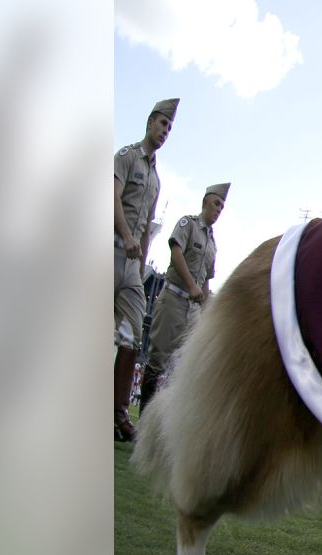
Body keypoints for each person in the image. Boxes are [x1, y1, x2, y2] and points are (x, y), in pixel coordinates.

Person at [114, 98, 178, 441]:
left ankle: (119, 411)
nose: (165, 132)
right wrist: (125, 236)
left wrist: (139, 266)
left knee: (132, 333)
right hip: (109, 248)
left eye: (169, 128)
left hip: (131, 264)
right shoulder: (126, 157)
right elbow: (111, 196)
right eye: (162, 124)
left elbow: (146, 227)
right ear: (150, 122)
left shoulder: (155, 178)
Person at [138, 183, 229, 414]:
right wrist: (191, 286)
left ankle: (164, 422)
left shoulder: (212, 244)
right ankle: (144, 417)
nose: (219, 209)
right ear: (205, 201)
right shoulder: (188, 224)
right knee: (157, 360)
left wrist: (209, 313)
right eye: (216, 203)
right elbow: (176, 253)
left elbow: (206, 281)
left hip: (193, 309)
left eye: (222, 206)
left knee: (181, 367)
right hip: (173, 298)